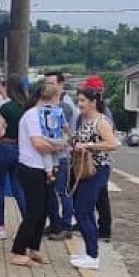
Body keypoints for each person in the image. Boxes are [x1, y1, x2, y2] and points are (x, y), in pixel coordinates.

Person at [10, 83, 67, 267]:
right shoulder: (33, 115)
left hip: (42, 168)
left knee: (43, 210)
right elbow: (38, 143)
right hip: (31, 167)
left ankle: (34, 248)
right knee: (34, 211)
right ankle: (18, 250)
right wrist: (57, 147)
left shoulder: (46, 115)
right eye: (58, 98)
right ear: (52, 98)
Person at [69, 87, 119, 269]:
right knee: (85, 211)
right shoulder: (84, 119)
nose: (79, 104)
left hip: (97, 170)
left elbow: (112, 144)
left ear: (93, 102)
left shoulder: (101, 121)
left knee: (82, 211)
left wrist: (89, 146)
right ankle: (89, 251)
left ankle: (92, 255)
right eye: (79, 100)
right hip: (84, 168)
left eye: (83, 100)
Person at [0, 76, 29, 240]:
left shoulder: (6, 108)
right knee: (18, 187)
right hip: (21, 149)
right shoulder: (28, 108)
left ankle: (0, 227)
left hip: (4, 147)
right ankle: (27, 223)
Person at [80, 75, 115, 242]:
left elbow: (111, 142)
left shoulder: (102, 116)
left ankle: (102, 231)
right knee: (99, 198)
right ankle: (100, 230)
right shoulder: (94, 112)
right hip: (91, 163)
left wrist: (89, 146)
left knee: (97, 199)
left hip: (98, 164)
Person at [44, 71, 77, 240]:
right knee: (52, 192)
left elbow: (62, 132)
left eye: (51, 83)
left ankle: (66, 226)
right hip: (54, 155)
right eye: (46, 84)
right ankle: (55, 223)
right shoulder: (54, 104)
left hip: (62, 156)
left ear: (61, 84)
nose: (48, 87)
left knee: (63, 192)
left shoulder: (64, 106)